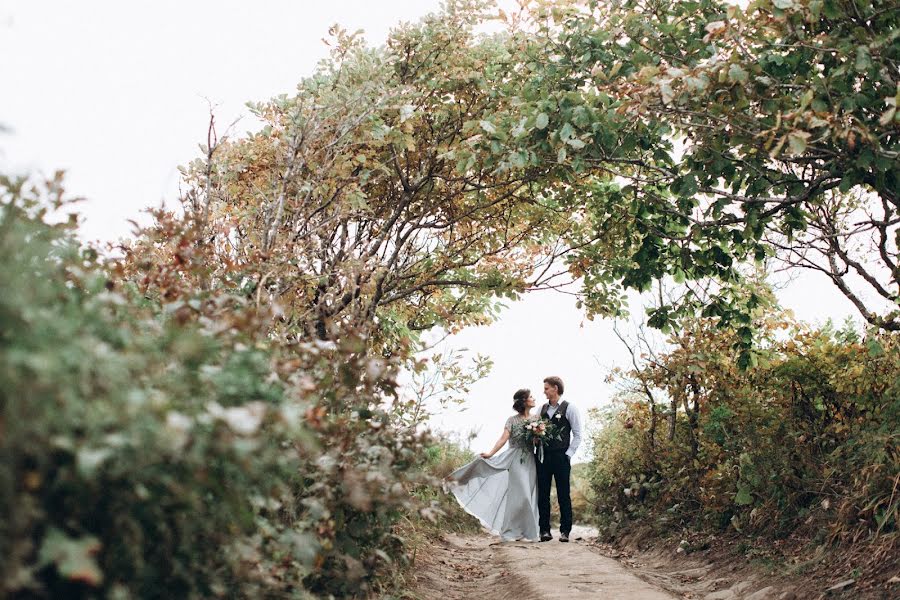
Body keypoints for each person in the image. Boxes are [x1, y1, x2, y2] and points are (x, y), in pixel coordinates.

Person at [446, 389, 540, 542]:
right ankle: (510, 531)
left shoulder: (537, 419)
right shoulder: (511, 420)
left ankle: (526, 532)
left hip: (530, 459)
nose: (533, 398)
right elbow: (503, 439)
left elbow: (537, 443)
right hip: (515, 458)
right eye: (530, 397)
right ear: (523, 401)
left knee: (527, 496)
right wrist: (490, 453)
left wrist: (538, 436)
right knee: (521, 495)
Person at [537, 376, 582, 542]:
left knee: (564, 494)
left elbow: (578, 435)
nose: (544, 391)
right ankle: (544, 530)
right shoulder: (541, 409)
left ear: (555, 388)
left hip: (561, 456)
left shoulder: (570, 408)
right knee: (543, 494)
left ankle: (565, 531)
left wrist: (568, 454)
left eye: (546, 388)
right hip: (542, 456)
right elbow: (535, 431)